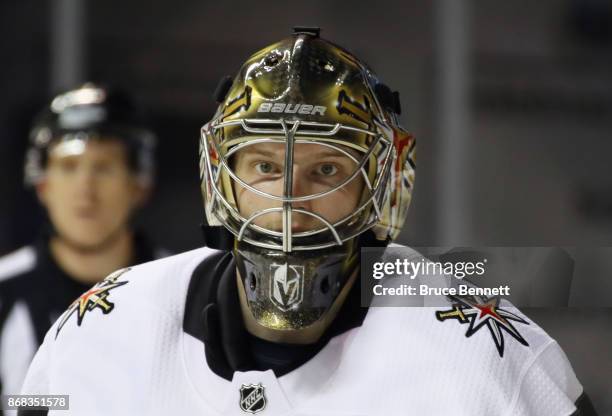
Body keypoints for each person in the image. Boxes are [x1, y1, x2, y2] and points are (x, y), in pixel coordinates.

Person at [18, 29, 596, 415]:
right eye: (266, 165)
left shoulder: (483, 354)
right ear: (221, 173)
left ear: (383, 183)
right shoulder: (101, 329)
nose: (291, 199)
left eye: (326, 169)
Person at [0, 83, 167, 405]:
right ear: (42, 184)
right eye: (68, 167)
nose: (85, 190)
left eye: (104, 168)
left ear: (139, 184)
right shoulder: (5, 294)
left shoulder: (189, 292)